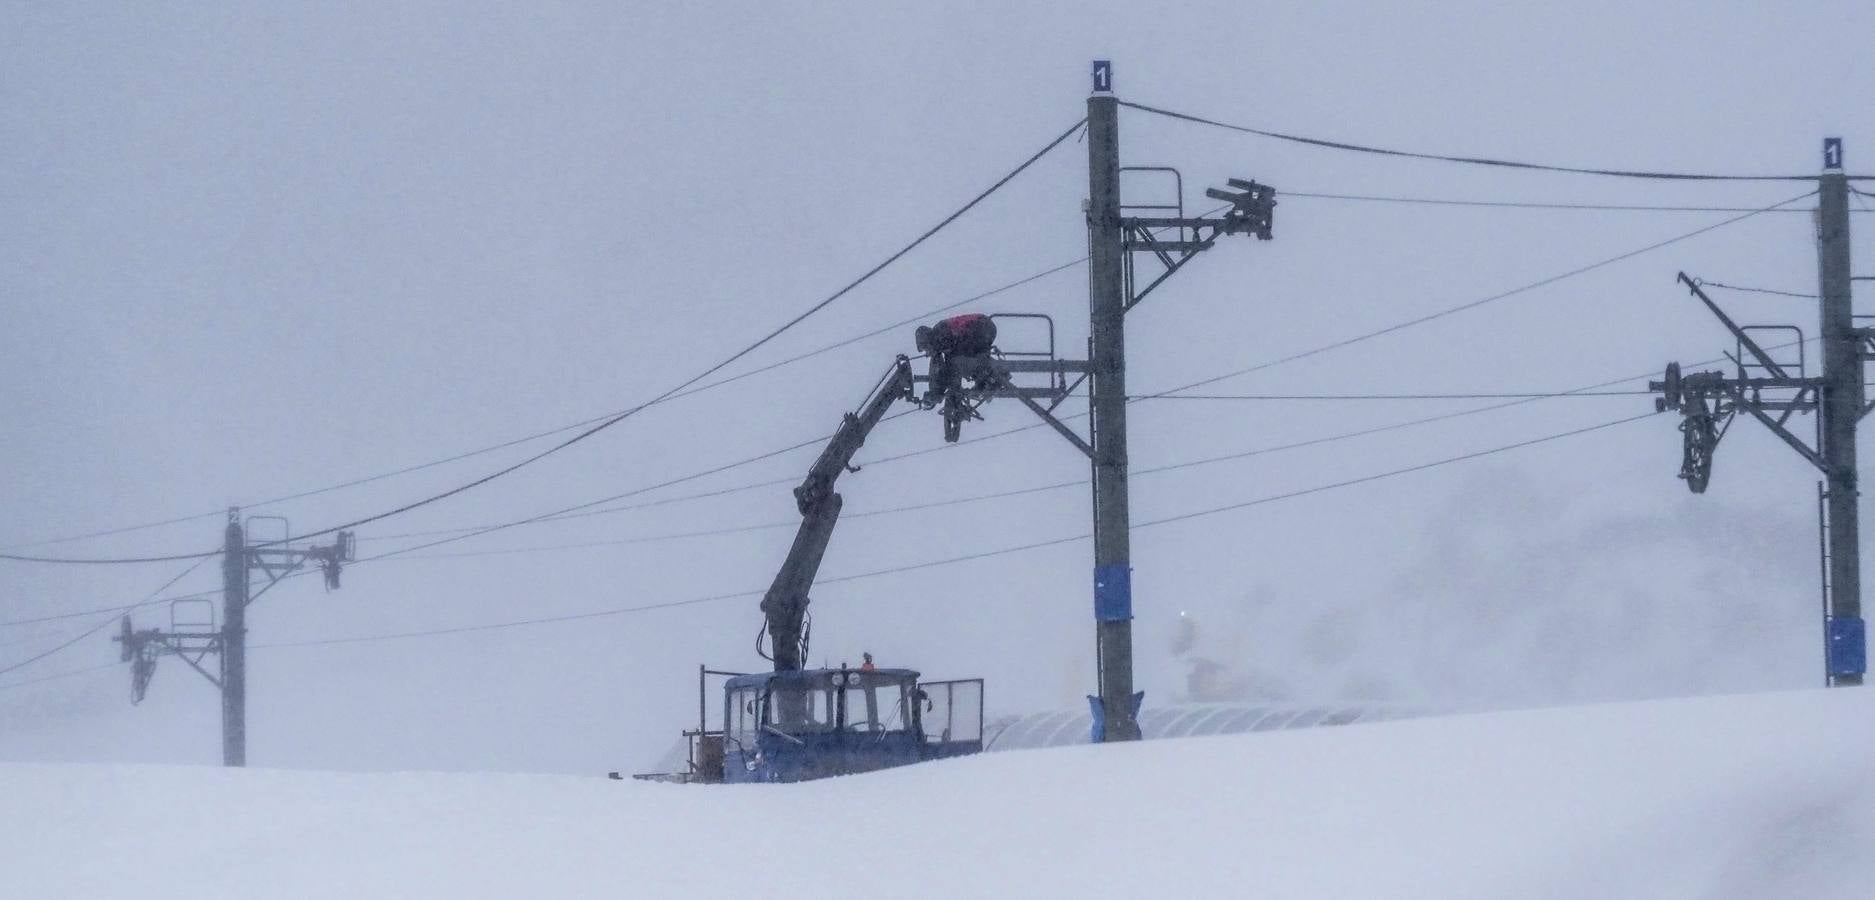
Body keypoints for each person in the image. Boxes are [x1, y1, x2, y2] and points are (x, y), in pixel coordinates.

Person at [914, 313, 998, 403]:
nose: (927, 353)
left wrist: (940, 392)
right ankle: (986, 379)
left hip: (981, 328)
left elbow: (950, 365)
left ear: (928, 341)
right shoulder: (941, 336)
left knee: (961, 361)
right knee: (966, 359)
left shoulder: (940, 335)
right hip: (983, 328)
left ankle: (987, 379)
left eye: (926, 349)